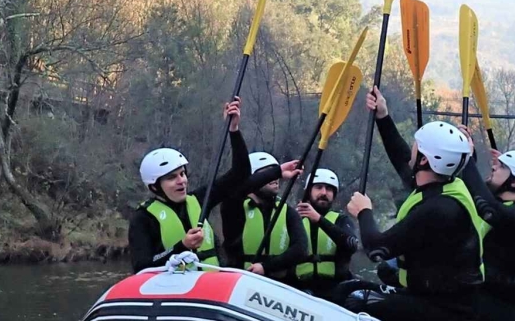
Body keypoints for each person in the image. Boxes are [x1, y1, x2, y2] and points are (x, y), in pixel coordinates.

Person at [342, 88, 484, 321]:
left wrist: (364, 212)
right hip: (432, 300)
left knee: (358, 300)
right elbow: (402, 161)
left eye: (417, 147)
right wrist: (383, 116)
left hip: (450, 318)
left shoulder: (439, 210)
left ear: (426, 161)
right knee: (345, 289)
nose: (412, 149)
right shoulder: (444, 186)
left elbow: (376, 249)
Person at [127, 98, 298, 272]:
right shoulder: (142, 219)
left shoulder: (200, 200)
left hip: (211, 286)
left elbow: (240, 174)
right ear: (154, 187)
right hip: (175, 291)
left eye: (182, 174)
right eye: (172, 178)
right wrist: (182, 246)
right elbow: (142, 266)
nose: (182, 181)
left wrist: (234, 130)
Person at [461, 147, 515, 321]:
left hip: (501, 311)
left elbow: (487, 205)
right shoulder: (505, 206)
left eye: (500, 167)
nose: (493, 168)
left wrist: (466, 157)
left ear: (514, 182)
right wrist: (468, 155)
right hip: (481, 298)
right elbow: (475, 188)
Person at [221, 151, 309, 279]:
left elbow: (301, 249)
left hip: (278, 284)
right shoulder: (235, 209)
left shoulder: (288, 212)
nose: (275, 178)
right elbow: (236, 189)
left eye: (274, 172)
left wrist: (266, 267)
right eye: (267, 174)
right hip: (241, 280)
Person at [290, 168, 361, 302]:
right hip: (300, 287)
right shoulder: (293, 218)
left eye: (329, 189)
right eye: (318, 187)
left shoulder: (341, 220)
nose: (324, 193)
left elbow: (351, 244)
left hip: (334, 289)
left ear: (334, 194)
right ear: (308, 191)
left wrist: (319, 220)